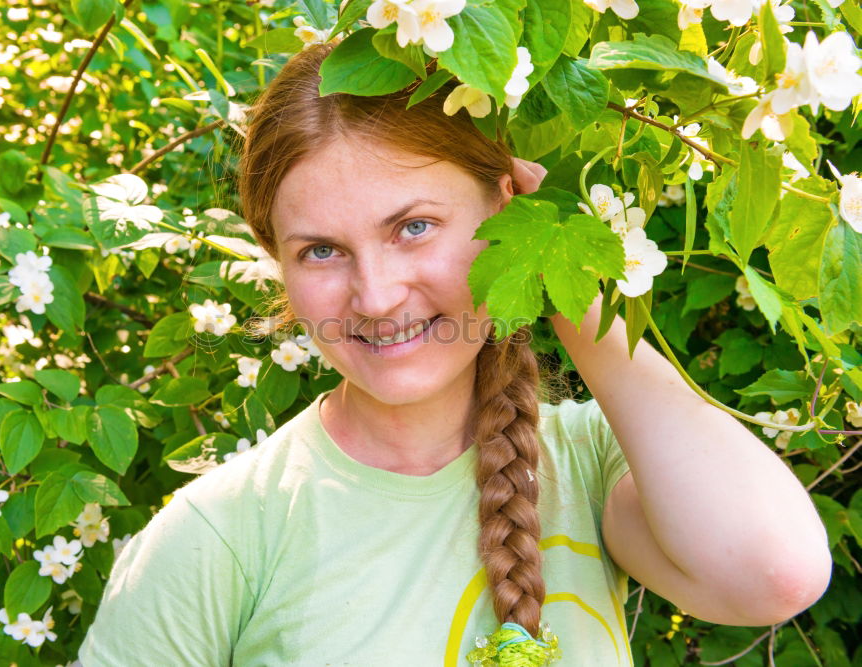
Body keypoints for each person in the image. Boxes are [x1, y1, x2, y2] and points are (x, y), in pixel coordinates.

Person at [78, 44, 832, 666]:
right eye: (320, 251)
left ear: (506, 206)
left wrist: (557, 263)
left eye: (413, 227)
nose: (374, 296)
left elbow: (775, 573)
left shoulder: (589, 462)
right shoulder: (223, 535)